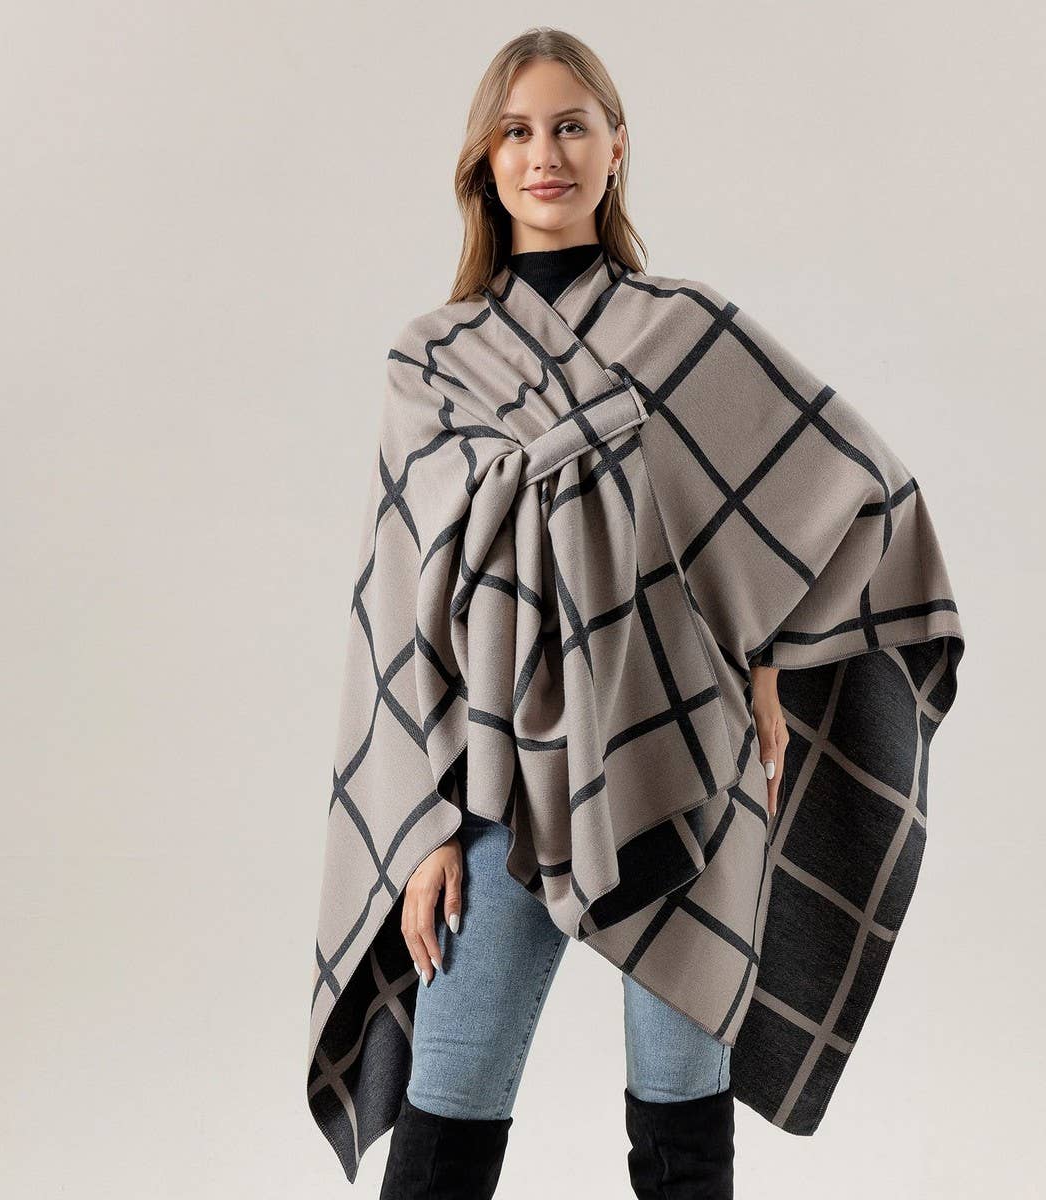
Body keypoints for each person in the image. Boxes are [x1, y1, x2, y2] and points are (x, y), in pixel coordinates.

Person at [377, 28, 787, 1200]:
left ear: (617, 147)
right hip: (497, 776)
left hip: (683, 760)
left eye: (570, 126)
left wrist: (765, 673)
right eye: (516, 131)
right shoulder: (432, 360)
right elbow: (404, 606)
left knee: (683, 1131)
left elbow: (796, 507)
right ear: (484, 160)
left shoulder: (690, 332)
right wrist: (424, 826)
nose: (544, 154)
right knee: (445, 1123)